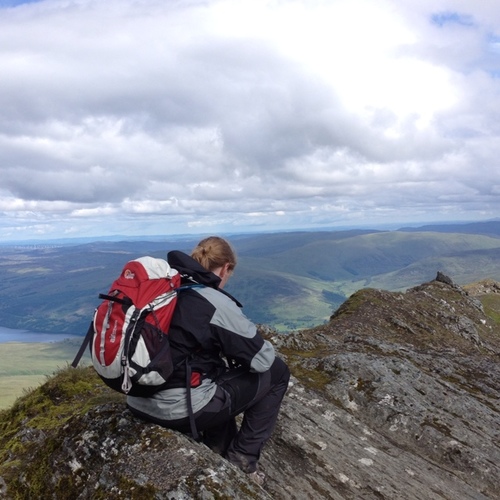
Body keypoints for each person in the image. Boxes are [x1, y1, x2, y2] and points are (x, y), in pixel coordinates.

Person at [127, 236, 290, 481]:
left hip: (137, 399)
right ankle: (242, 460)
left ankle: (218, 448)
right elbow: (262, 361)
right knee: (278, 372)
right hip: (175, 409)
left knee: (212, 375)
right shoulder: (213, 301)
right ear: (226, 268)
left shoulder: (167, 290)